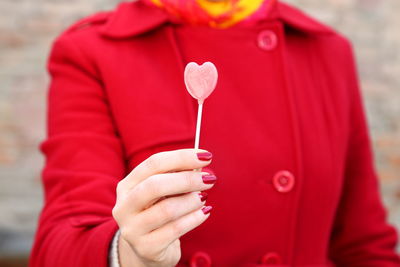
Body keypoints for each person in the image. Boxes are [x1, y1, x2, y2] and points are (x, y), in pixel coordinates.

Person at [30, 0, 400, 266]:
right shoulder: (93, 51)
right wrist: (130, 253)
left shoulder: (325, 51)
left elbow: (363, 245)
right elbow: (60, 244)